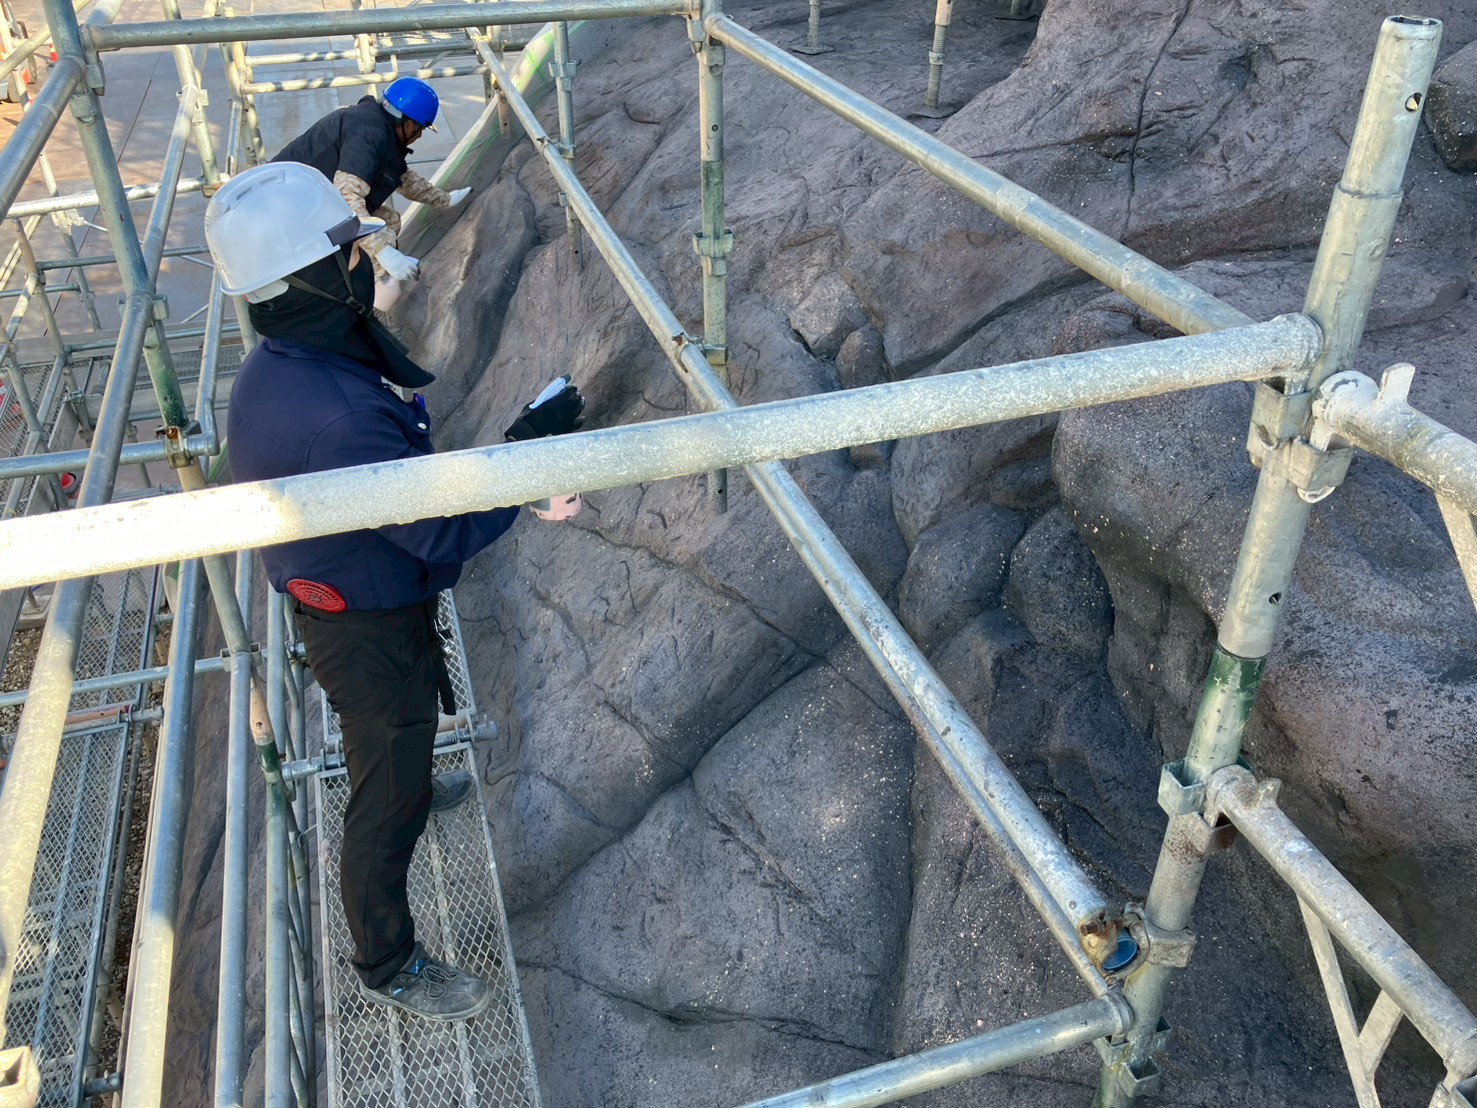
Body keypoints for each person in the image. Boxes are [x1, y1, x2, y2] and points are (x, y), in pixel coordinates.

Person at [204, 162, 585, 1021]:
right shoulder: (339, 413)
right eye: (347, 253)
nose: (362, 260)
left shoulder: (284, 365)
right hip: (365, 624)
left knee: (386, 744)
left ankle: (404, 778)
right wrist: (525, 472)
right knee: (387, 793)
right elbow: (438, 530)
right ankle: (387, 961)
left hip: (348, 596)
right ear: (310, 279)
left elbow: (401, 496)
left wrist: (512, 455)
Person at [271, 76, 472, 308]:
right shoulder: (368, 135)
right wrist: (383, 251)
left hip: (305, 200)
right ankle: (370, 297)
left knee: (387, 220)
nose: (419, 136)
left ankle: (374, 284)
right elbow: (346, 198)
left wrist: (444, 200)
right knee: (378, 232)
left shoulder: (377, 127)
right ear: (409, 124)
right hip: (288, 214)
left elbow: (402, 177)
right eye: (421, 129)